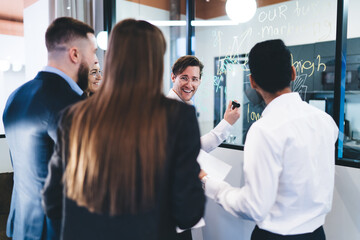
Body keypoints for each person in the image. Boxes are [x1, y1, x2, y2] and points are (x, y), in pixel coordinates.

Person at [42, 19, 205, 240]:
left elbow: (53, 202)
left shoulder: (73, 116)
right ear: (156, 60)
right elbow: (188, 213)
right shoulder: (178, 118)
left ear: (112, 58)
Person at [200, 39, 339, 239]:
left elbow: (253, 207)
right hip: (318, 234)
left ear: (253, 82)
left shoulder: (263, 130)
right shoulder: (326, 122)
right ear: (293, 72)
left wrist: (211, 184)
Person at [2, 17, 98, 240]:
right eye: (93, 52)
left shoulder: (15, 96)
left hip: (21, 228)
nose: (95, 60)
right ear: (75, 54)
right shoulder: (75, 105)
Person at [168, 55, 241, 153]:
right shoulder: (170, 111)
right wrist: (227, 123)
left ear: (199, 81)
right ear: (173, 77)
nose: (189, 85)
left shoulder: (183, 107)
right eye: (184, 78)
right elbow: (192, 149)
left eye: (194, 79)